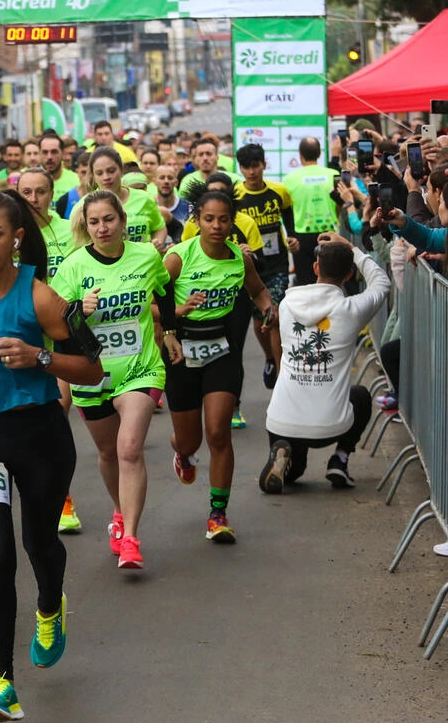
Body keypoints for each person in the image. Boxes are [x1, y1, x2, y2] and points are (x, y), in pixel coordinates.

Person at [0, 191, 104, 721]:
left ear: (16, 239)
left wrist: (40, 357)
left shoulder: (42, 299)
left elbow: (93, 370)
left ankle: (50, 604)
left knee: (39, 542)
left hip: (38, 433)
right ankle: (0, 684)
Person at [51, 190, 174, 569]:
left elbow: (164, 293)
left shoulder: (145, 256)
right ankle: (120, 511)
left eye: (109, 219)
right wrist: (76, 310)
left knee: (129, 449)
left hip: (141, 368)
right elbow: (55, 325)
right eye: (94, 222)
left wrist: (168, 331)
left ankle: (132, 538)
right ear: (85, 227)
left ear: (122, 220)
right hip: (93, 375)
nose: (102, 228)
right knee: (107, 453)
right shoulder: (72, 267)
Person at [163, 187, 277, 542]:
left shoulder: (238, 259)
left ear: (232, 223)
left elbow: (257, 290)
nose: (216, 226)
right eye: (209, 219)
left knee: (218, 432)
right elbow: (150, 304)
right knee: (189, 440)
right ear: (196, 220)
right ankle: (182, 453)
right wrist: (176, 318)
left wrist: (267, 309)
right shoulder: (177, 258)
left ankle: (218, 514)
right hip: (181, 354)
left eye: (223, 219)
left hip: (220, 353)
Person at [258, 234, 390, 492]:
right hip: (330, 426)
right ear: (349, 275)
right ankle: (339, 459)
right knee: (361, 395)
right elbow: (382, 283)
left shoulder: (286, 305)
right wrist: (353, 248)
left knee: (294, 475)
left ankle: (283, 454)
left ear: (315, 267)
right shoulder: (350, 309)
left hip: (281, 423)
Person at [16, 168, 82, 533]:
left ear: (51, 193)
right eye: (26, 192)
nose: (34, 199)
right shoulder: (12, 232)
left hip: (59, 326)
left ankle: (63, 498)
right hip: (22, 329)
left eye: (40, 192)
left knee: (58, 409)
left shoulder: (67, 227)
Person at [233, 143, 299, 388]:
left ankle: (283, 373)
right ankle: (270, 358)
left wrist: (291, 236)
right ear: (240, 168)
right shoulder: (236, 196)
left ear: (264, 164)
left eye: (255, 166)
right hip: (251, 266)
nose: (251, 172)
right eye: (246, 167)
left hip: (277, 263)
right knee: (259, 318)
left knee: (275, 313)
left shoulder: (279, 191)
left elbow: (288, 214)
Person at [76, 147, 167, 250]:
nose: (106, 177)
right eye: (99, 173)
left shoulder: (144, 198)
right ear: (93, 175)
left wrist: (158, 243)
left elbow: (159, 227)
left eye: (111, 171)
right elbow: (78, 246)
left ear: (121, 170)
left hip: (142, 263)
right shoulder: (82, 206)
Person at [282, 137, 339, 285]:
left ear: (300, 155)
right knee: (330, 282)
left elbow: (286, 209)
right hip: (329, 234)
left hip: (302, 236)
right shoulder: (333, 174)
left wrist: (291, 234)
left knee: (306, 284)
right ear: (320, 154)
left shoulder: (290, 179)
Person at [40, 131, 80, 216]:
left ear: (62, 153)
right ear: (39, 153)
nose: (49, 157)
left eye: (54, 152)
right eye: (45, 152)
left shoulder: (77, 180)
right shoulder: (30, 181)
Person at [155, 163, 189, 243]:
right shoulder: (148, 208)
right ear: (155, 181)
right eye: (162, 178)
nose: (166, 181)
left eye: (170, 178)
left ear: (176, 182)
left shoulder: (188, 208)